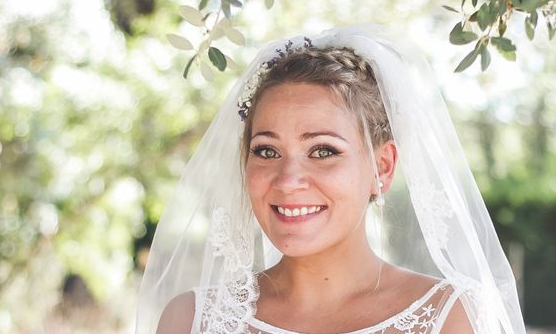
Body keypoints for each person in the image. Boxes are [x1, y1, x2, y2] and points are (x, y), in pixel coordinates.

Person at [135, 26, 526, 334]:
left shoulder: (454, 319)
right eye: (267, 151)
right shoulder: (190, 321)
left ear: (383, 167)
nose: (288, 180)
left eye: (323, 151)